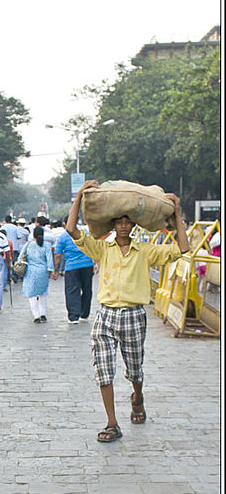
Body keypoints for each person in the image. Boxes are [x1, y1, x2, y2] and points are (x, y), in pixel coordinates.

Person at [66, 179, 189, 443]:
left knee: (134, 369)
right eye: (119, 222)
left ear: (133, 225)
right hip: (106, 314)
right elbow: (71, 230)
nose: (123, 226)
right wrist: (79, 196)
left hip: (133, 315)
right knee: (103, 369)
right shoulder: (102, 249)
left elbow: (182, 248)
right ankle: (112, 423)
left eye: (127, 222)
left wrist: (177, 212)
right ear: (113, 225)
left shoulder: (144, 251)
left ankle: (137, 396)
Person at [53, 218, 96, 324]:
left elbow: (58, 255)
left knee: (72, 291)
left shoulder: (63, 237)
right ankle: (84, 313)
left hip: (72, 267)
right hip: (87, 265)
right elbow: (93, 247)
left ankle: (73, 316)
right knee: (87, 289)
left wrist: (56, 270)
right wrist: (95, 263)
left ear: (64, 224)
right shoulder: (85, 233)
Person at [18, 225, 57, 322]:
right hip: (43, 272)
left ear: (33, 235)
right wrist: (52, 271)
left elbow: (20, 258)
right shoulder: (47, 245)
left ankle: (36, 315)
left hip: (30, 272)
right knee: (43, 293)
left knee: (32, 294)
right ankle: (43, 314)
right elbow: (49, 260)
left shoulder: (28, 245)